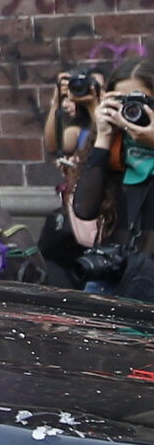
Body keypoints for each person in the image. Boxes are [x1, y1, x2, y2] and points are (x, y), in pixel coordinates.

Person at [67, 66, 154, 299]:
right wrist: (104, 136)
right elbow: (84, 210)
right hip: (116, 275)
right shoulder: (115, 150)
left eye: (141, 101)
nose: (131, 110)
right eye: (121, 101)